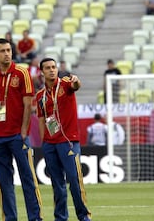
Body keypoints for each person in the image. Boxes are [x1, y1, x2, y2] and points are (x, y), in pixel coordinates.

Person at [0, 38, 42, 221]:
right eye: (2, 50)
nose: (7, 53)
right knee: (4, 183)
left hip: (17, 136)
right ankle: (10, 218)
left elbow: (28, 104)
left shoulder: (22, 73)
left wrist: (24, 131)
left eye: (9, 50)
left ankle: (35, 218)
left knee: (28, 180)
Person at [36, 57, 92, 221]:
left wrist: (76, 80)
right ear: (42, 72)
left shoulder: (66, 84)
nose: (52, 70)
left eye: (54, 67)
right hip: (50, 145)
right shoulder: (40, 95)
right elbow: (41, 120)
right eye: (48, 68)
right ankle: (60, 217)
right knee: (57, 184)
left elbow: (76, 86)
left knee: (74, 181)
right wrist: (43, 142)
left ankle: (83, 216)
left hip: (68, 142)